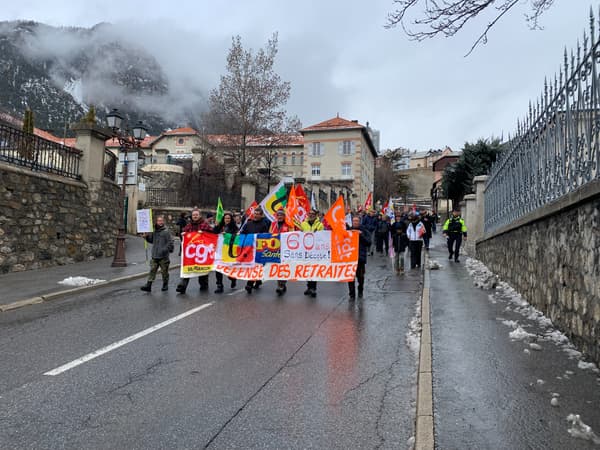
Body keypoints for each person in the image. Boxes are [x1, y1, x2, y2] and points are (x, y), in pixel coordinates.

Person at [175, 209, 213, 294]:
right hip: (191, 252)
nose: (195, 216)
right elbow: (184, 232)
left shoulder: (204, 224)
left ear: (200, 215)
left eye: (196, 215)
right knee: (187, 268)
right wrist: (183, 234)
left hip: (201, 252)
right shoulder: (189, 225)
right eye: (193, 215)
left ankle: (204, 285)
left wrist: (203, 232)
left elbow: (212, 234)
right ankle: (182, 286)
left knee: (202, 269)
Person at [240, 206, 271, 294]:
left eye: (258, 214)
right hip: (249, 249)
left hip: (258, 249)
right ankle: (257, 280)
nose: (256, 215)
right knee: (251, 266)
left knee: (256, 266)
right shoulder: (248, 224)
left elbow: (266, 237)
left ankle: (249, 284)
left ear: (261, 216)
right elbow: (242, 234)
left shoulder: (264, 225)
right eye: (255, 214)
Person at [140, 215, 174, 292]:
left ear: (163, 222)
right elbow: (152, 240)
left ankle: (165, 284)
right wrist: (146, 237)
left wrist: (164, 250)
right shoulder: (154, 231)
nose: (160, 222)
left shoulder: (166, 231)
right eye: (159, 221)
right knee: (152, 270)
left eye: (161, 220)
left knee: (164, 272)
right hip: (155, 255)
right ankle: (148, 286)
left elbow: (171, 242)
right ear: (156, 222)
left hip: (163, 257)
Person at [269, 208, 294, 295]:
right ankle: (280, 284)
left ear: (284, 216)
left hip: (286, 249)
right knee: (277, 267)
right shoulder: (273, 224)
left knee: (284, 267)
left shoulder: (289, 225)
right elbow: (269, 234)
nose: (279, 217)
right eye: (278, 215)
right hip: (275, 249)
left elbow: (292, 236)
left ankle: (282, 284)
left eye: (281, 215)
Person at [300, 208, 324, 297]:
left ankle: (313, 288)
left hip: (315, 251)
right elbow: (299, 234)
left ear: (316, 215)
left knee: (314, 269)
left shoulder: (320, 225)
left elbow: (322, 237)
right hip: (305, 250)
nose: (311, 215)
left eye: (313, 214)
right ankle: (308, 287)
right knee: (307, 269)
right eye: (309, 213)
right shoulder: (303, 224)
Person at [213, 212, 239, 293]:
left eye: (228, 218)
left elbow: (236, 237)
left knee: (229, 269)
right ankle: (219, 285)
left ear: (231, 219)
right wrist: (216, 226)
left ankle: (233, 279)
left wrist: (228, 235)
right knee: (218, 269)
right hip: (219, 251)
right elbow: (213, 233)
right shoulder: (220, 226)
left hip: (228, 251)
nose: (227, 220)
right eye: (225, 218)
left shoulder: (234, 228)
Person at [347, 215, 371, 301]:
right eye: (354, 221)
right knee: (350, 277)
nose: (355, 222)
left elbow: (369, 242)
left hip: (360, 258)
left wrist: (361, 235)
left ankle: (360, 290)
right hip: (350, 258)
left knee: (360, 277)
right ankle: (352, 295)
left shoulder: (364, 230)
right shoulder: (348, 231)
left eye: (357, 221)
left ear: (359, 222)